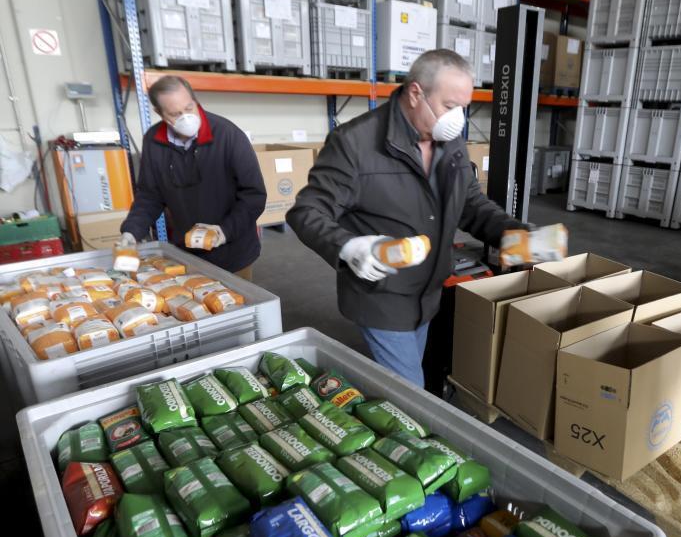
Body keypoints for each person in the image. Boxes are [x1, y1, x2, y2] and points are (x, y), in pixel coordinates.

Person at [288, 49, 526, 387]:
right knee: (411, 395)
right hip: (382, 296)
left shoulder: (449, 138)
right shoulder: (355, 144)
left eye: (463, 107)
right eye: (449, 106)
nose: (457, 118)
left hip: (428, 292)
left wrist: (514, 234)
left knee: (413, 377)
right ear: (416, 93)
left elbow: (469, 202)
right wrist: (348, 246)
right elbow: (307, 211)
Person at [118, 75, 266, 279]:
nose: (185, 117)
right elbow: (149, 196)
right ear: (159, 113)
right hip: (186, 252)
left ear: (195, 101)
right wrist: (131, 231)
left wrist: (224, 231)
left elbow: (254, 196)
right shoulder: (154, 142)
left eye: (189, 108)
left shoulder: (228, 135)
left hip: (233, 251)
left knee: (241, 304)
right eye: (175, 113)